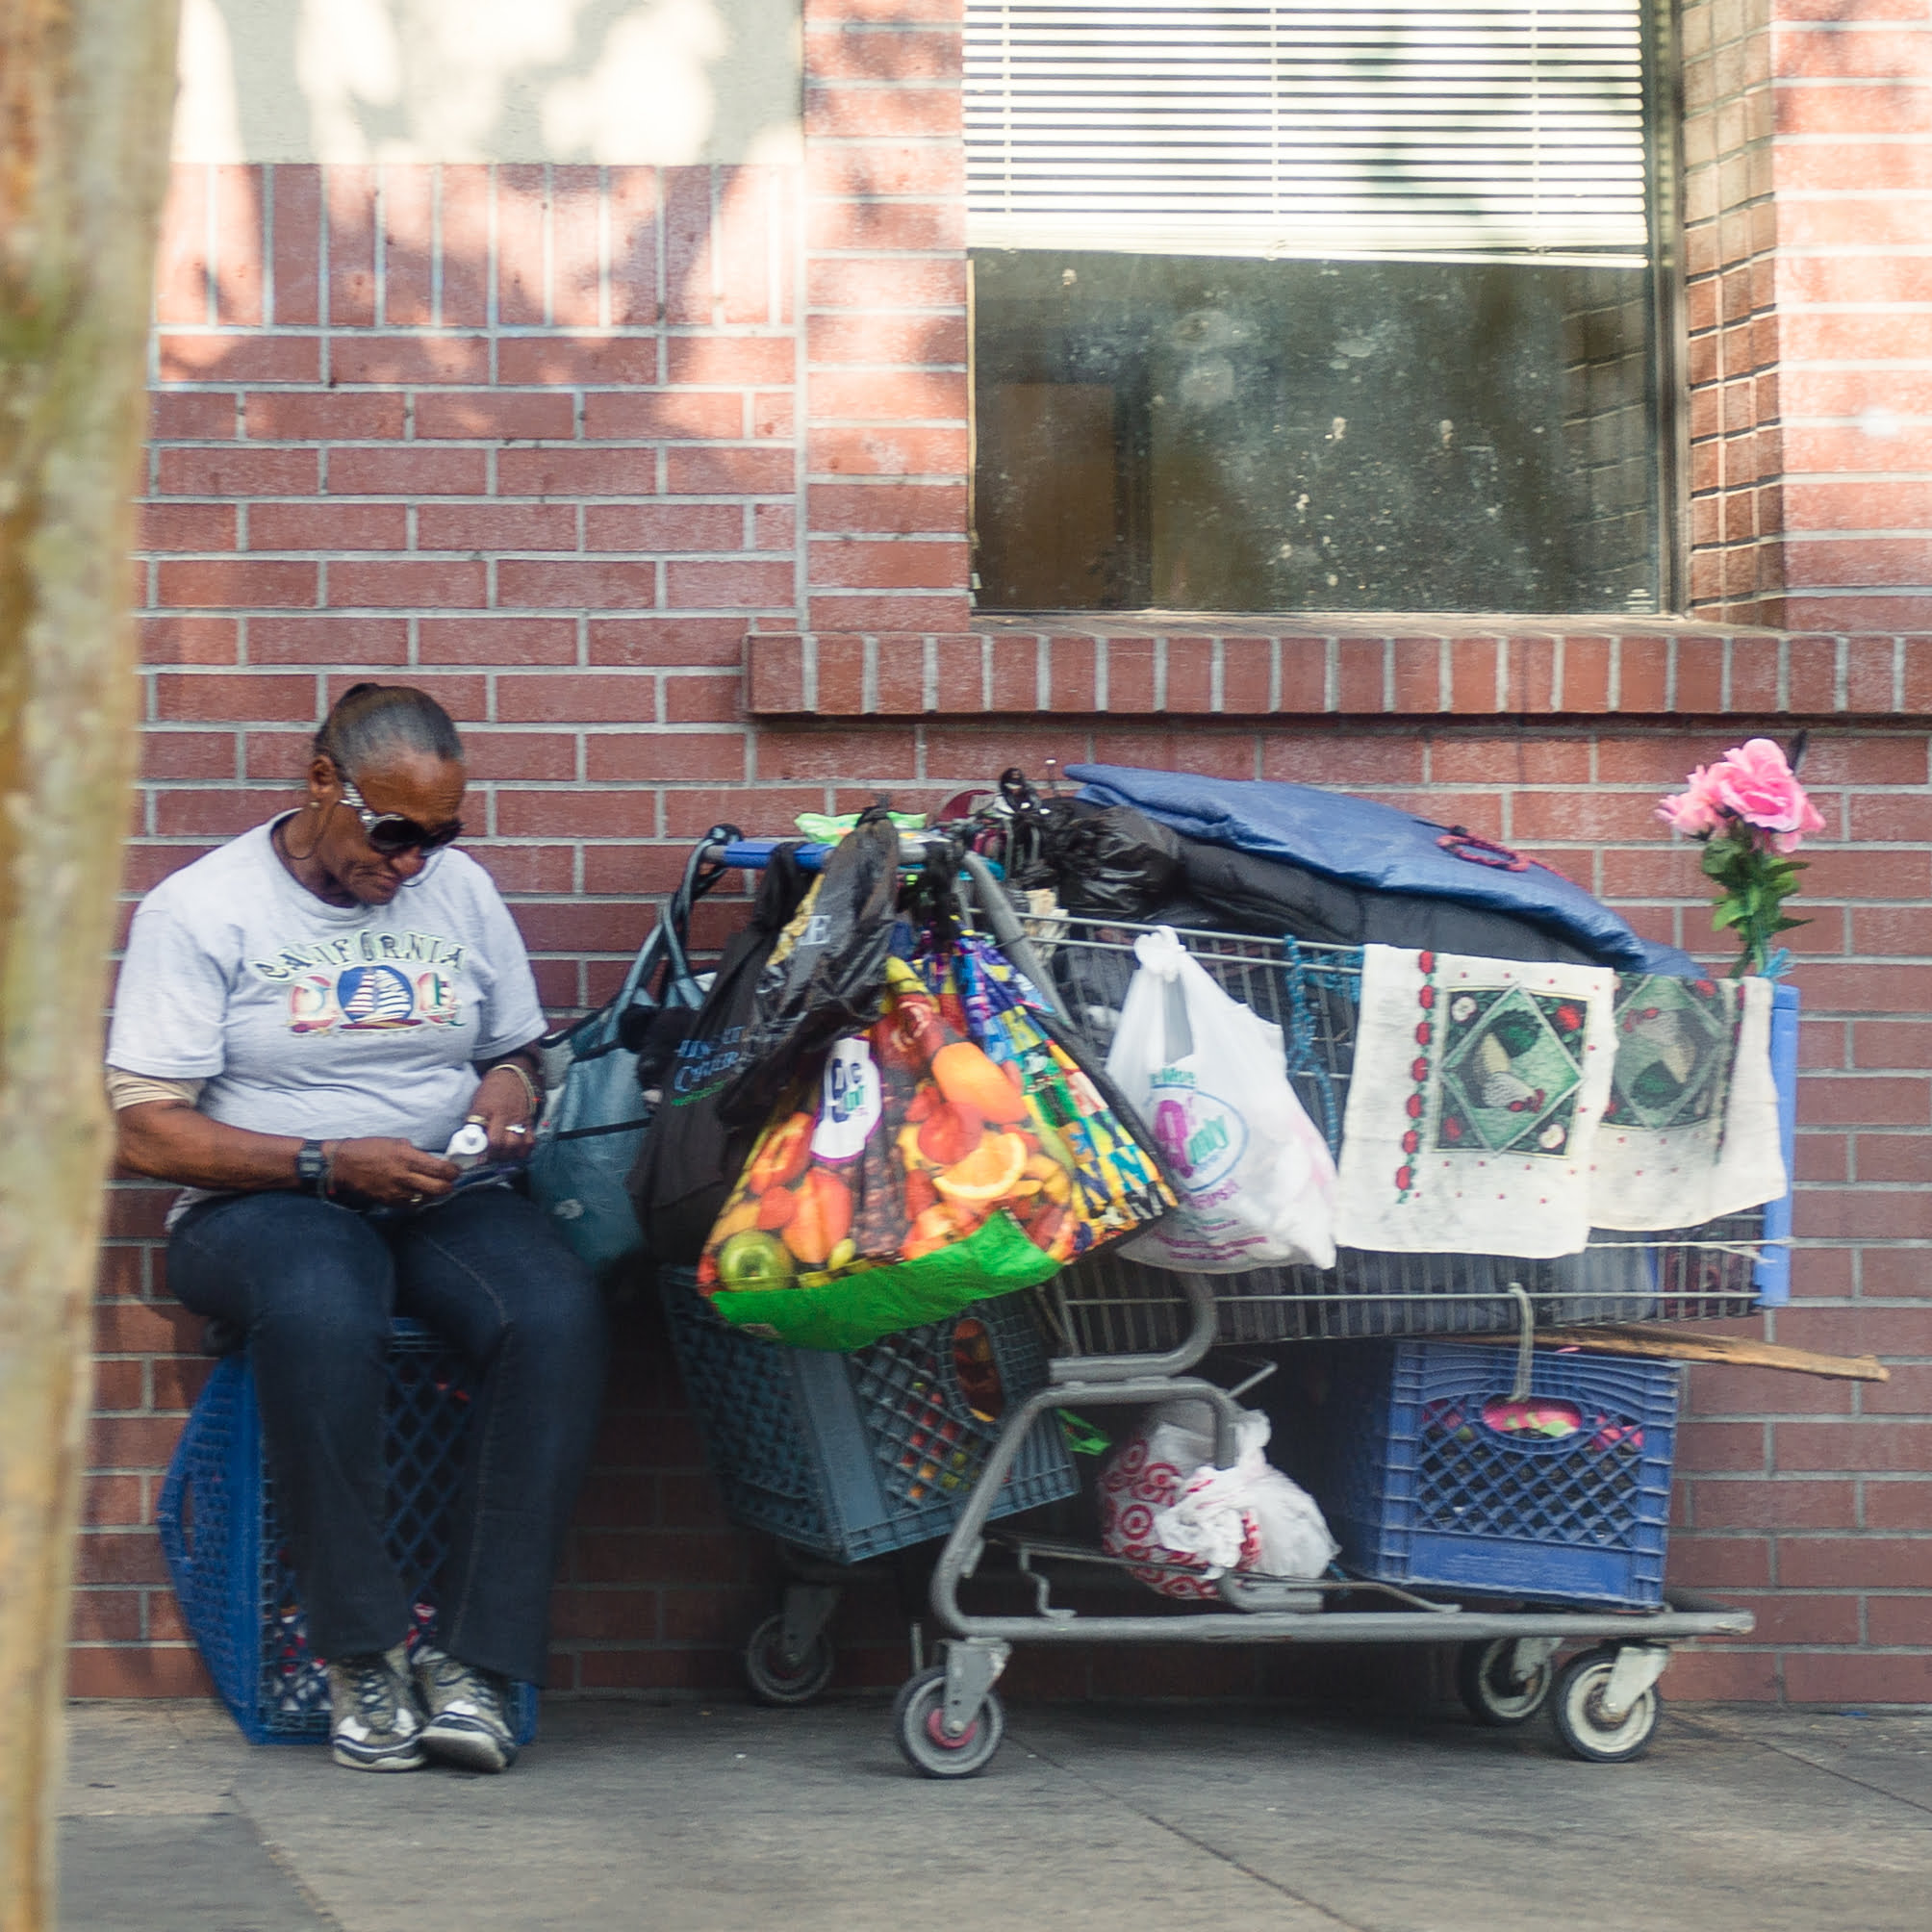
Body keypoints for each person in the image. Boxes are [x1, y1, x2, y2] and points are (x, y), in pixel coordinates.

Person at [107, 684, 606, 1774]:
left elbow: (516, 1049)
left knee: (555, 1311)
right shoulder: (204, 910)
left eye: (440, 836)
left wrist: (507, 1095)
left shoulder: (457, 894)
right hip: (261, 1205)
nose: (414, 862)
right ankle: (360, 1649)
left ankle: (477, 1661)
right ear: (321, 783)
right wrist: (326, 1162)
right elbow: (144, 1132)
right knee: (325, 1302)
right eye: (394, 833)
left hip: (438, 1191)